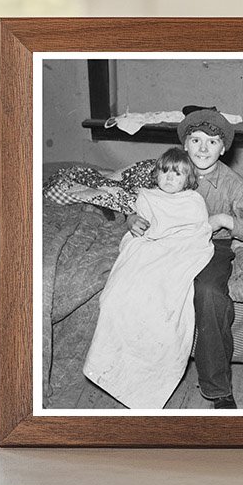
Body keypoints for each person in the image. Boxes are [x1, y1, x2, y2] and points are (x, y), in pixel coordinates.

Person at [126, 110, 243, 410]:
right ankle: (140, 374)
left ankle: (217, 387)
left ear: (224, 148)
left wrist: (227, 220)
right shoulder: (169, 169)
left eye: (212, 142)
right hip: (166, 244)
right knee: (139, 285)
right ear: (185, 144)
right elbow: (138, 199)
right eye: (196, 140)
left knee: (209, 293)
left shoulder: (232, 184)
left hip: (210, 247)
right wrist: (131, 218)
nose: (203, 149)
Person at [83, 147, 213, 409]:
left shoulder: (193, 201)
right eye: (164, 171)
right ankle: (116, 369)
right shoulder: (146, 196)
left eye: (177, 174)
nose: (169, 178)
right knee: (116, 296)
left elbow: (198, 233)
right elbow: (139, 227)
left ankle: (147, 382)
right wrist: (135, 224)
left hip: (177, 252)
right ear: (156, 174)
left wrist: (172, 243)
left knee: (163, 300)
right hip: (148, 249)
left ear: (188, 179)